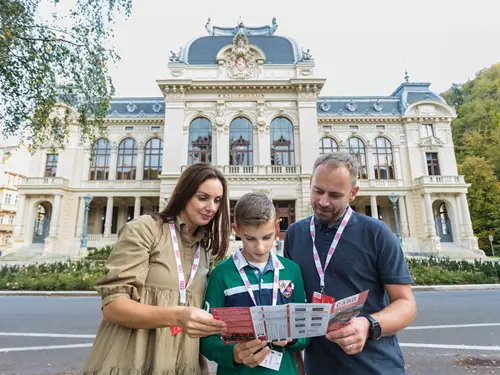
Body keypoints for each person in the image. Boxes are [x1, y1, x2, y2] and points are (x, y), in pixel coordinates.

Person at [82, 163, 231, 375]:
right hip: (131, 358)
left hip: (182, 363)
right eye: (202, 197)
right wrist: (178, 315)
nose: (211, 207)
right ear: (184, 194)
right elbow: (113, 307)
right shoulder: (145, 229)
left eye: (217, 200)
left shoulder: (205, 248)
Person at [284, 152, 417, 375]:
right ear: (310, 183)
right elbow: (290, 303)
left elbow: (406, 304)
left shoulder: (377, 233)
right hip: (318, 368)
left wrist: (368, 325)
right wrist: (297, 362)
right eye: (318, 191)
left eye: (335, 195)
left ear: (353, 193)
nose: (323, 201)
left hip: (377, 367)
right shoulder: (295, 234)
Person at [201, 192, 309, 374]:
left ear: (277, 227)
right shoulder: (221, 275)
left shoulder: (292, 271)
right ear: (236, 230)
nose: (260, 247)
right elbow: (207, 338)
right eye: (250, 238)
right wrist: (233, 354)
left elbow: (305, 331)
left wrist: (291, 339)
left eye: (267, 237)